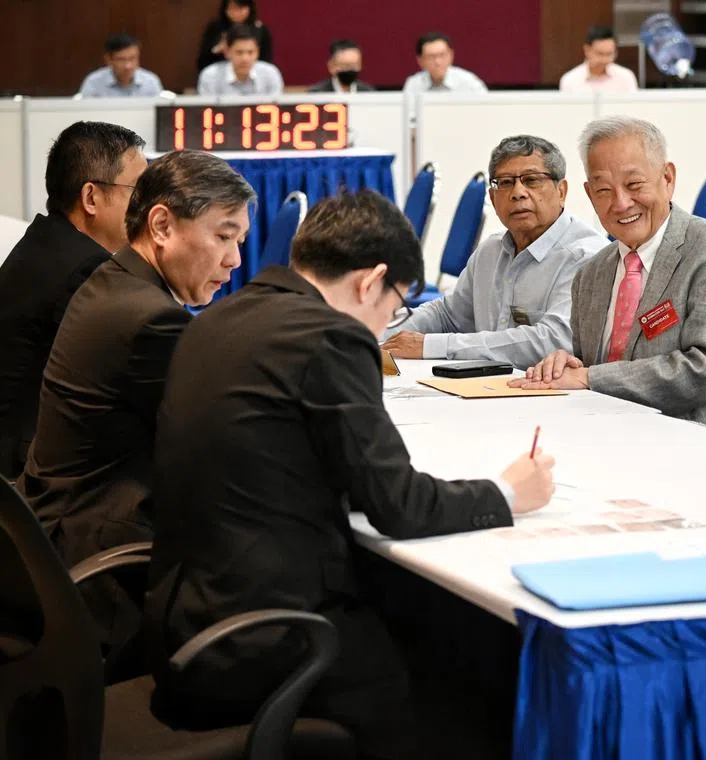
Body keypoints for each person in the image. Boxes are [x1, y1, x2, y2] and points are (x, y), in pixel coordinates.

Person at [144, 190, 555, 759]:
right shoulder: (332, 336)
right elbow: (399, 505)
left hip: (185, 615)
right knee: (464, 680)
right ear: (371, 281)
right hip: (273, 636)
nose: (387, 323)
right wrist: (509, 491)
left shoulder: (220, 317)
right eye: (394, 307)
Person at [18, 151, 254, 671]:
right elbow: (241, 440)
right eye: (224, 236)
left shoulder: (116, 284)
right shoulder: (146, 319)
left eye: (239, 241)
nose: (235, 260)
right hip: (106, 581)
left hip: (57, 546)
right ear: (163, 225)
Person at [512, 116, 706, 435]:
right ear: (589, 195)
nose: (621, 203)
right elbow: (588, 368)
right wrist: (567, 364)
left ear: (667, 178)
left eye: (634, 185)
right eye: (604, 190)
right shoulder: (590, 274)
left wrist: (589, 378)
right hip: (611, 433)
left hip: (702, 439)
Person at [0, 122, 147, 480]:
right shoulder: (86, 270)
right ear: (91, 197)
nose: (147, 205)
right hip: (25, 476)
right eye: (138, 191)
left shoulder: (46, 239)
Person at [382, 135, 606, 367]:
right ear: (492, 197)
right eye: (506, 182)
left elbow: (553, 341)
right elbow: (448, 315)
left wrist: (433, 346)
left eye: (531, 180)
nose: (518, 192)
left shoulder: (587, 257)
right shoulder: (490, 251)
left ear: (562, 191)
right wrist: (377, 334)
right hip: (486, 387)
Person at [197, 24, 283, 96]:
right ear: (227, 52)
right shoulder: (210, 76)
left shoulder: (270, 74)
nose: (245, 59)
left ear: (257, 53)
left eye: (250, 52)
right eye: (239, 52)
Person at [402, 32, 487, 98]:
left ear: (451, 55)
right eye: (431, 57)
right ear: (420, 61)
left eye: (442, 55)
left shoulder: (469, 82)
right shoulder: (414, 84)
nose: (437, 62)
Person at [196, 0, 273, 72]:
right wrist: (217, 49)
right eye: (232, 8)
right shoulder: (215, 28)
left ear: (249, 8)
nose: (237, 13)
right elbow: (202, 62)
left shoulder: (260, 29)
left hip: (252, 75)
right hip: (220, 74)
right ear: (225, 9)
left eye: (241, 8)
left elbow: (266, 61)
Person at [77, 34, 164, 98]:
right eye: (121, 60)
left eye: (133, 58)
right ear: (108, 60)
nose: (128, 66)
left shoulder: (151, 81)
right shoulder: (93, 82)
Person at [559, 26, 638, 94]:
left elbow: (634, 108)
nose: (604, 60)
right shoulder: (570, 80)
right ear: (587, 50)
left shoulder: (625, 77)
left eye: (609, 54)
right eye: (600, 54)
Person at [308, 39, 375, 93]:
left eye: (354, 65)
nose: (349, 70)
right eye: (344, 65)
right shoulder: (317, 93)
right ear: (331, 66)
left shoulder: (369, 93)